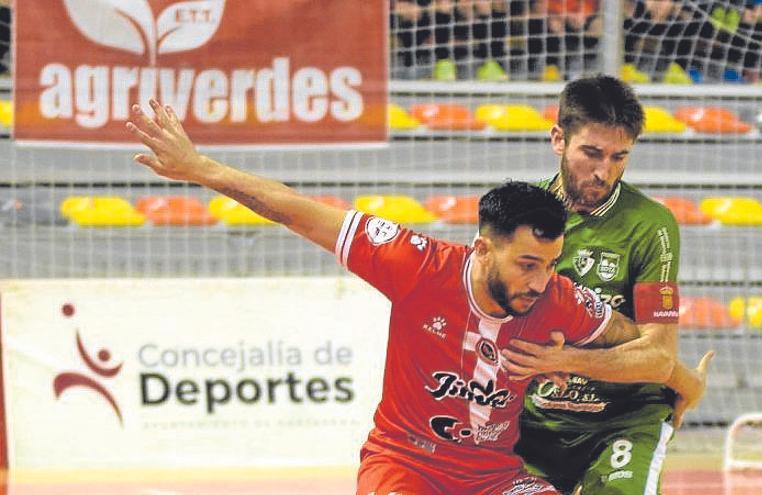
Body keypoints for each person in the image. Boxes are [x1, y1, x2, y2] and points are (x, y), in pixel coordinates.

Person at [126, 98, 710, 494]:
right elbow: (297, 212)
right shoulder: (416, 265)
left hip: (493, 476)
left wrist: (679, 381)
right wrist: (202, 169)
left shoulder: (559, 295)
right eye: (529, 265)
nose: (540, 281)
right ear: (483, 249)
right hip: (406, 465)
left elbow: (643, 346)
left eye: (550, 266)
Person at [506, 75, 704, 495]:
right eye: (591, 153)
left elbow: (656, 356)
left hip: (624, 422)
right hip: (532, 428)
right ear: (558, 139)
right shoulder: (515, 219)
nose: (603, 172)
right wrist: (687, 381)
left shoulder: (651, 226)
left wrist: (564, 360)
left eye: (619, 157)